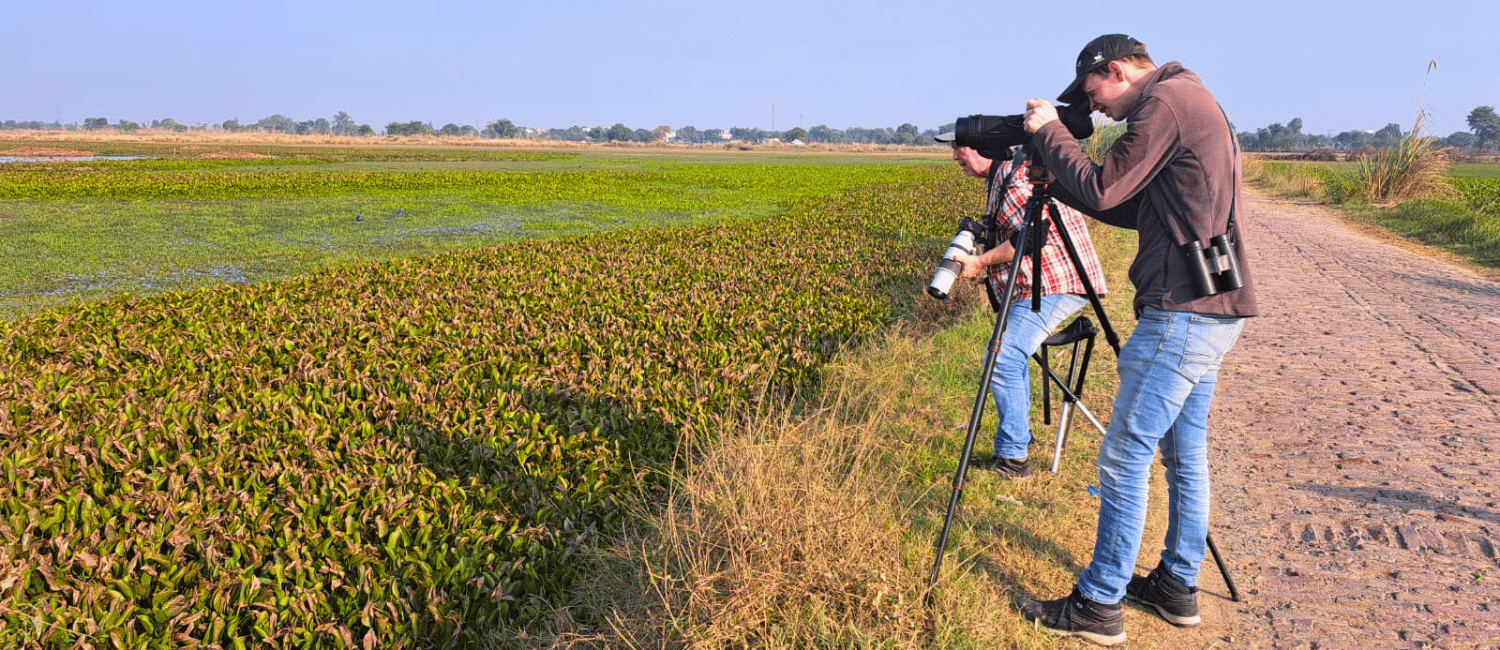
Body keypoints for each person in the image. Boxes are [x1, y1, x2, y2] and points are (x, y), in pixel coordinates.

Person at [1016, 34, 1259, 646]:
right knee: (1184, 455)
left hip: (1181, 314)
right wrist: (1065, 178)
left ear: (1117, 71)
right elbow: (1128, 203)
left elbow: (1102, 189)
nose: (1094, 108)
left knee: (1125, 456)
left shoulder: (1163, 105)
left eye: (1093, 91)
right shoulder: (1192, 97)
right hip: (1212, 306)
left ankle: (1099, 604)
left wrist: (1050, 133)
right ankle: (1176, 586)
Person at [932, 132, 1108, 479]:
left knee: (1003, 358)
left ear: (982, 147)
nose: (955, 156)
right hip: (1040, 284)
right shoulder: (1003, 172)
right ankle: (1016, 439)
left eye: (959, 148)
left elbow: (1032, 238)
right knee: (1008, 358)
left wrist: (979, 262)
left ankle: (1014, 459)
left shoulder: (1016, 176)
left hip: (1056, 283)